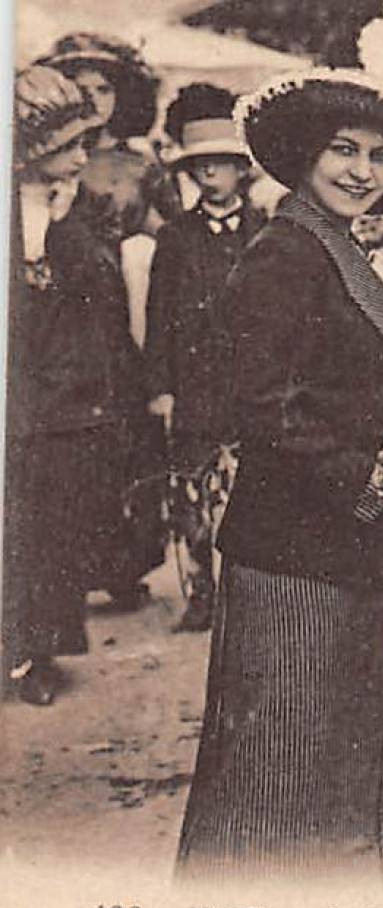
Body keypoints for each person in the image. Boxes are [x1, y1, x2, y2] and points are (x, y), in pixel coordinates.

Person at [174, 65, 383, 880]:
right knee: (281, 771)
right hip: (292, 551)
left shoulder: (335, 246)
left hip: (340, 548)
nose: (360, 171)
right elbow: (263, 407)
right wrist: (377, 483)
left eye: (377, 156)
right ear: (305, 155)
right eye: (342, 149)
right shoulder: (285, 252)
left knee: (327, 760)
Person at [39, 32, 168, 610]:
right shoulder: (47, 160)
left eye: (105, 89)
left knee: (132, 433)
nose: (94, 99)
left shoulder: (141, 164)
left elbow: (174, 231)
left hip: (129, 305)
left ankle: (125, 563)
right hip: (70, 310)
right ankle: (74, 567)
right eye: (81, 89)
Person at [145, 84, 267, 633]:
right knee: (193, 488)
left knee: (251, 485)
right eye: (201, 166)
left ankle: (253, 591)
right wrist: (161, 388)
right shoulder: (175, 237)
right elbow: (159, 316)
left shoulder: (267, 233)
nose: (210, 174)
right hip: (195, 381)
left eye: (222, 163)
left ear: (244, 170)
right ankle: (201, 591)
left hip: (252, 382)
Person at [4, 66, 106, 706]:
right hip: (18, 392)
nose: (81, 158)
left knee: (47, 534)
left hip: (59, 401)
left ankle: (37, 653)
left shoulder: (77, 212)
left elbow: (93, 301)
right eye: (69, 147)